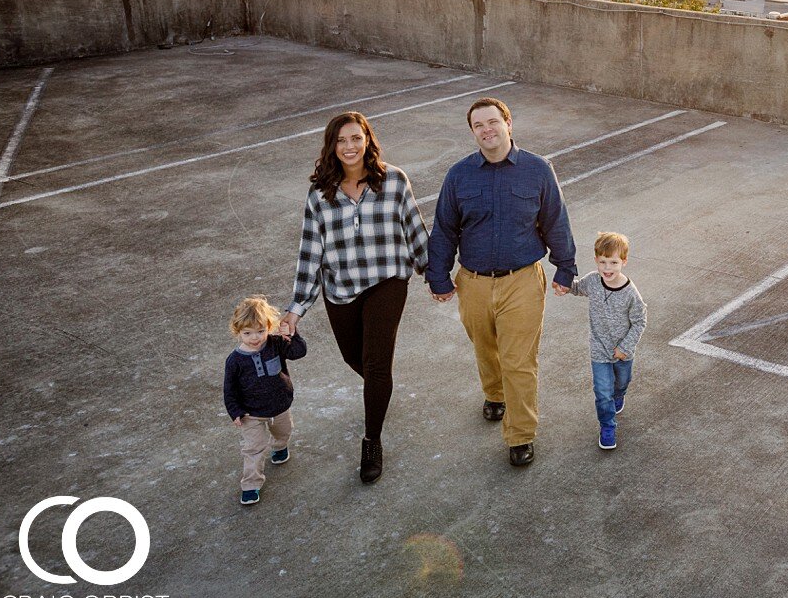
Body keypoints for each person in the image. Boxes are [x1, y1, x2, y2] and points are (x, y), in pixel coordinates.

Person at [427, 97, 576, 469]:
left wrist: (565, 267)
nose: (487, 130)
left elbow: (556, 219)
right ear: (473, 131)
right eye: (479, 125)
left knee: (519, 360)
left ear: (509, 123)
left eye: (493, 122)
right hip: (472, 282)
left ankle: (521, 434)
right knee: (485, 346)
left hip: (522, 280)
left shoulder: (538, 169)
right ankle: (495, 394)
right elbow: (444, 229)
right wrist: (438, 276)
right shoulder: (458, 175)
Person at [282, 111, 428, 485]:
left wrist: (436, 275)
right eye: (341, 140)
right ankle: (379, 390)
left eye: (356, 139)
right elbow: (309, 252)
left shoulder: (393, 181)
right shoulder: (319, 194)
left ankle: (372, 441)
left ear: (368, 140)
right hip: (341, 288)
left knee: (376, 364)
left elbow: (414, 228)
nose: (350, 147)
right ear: (332, 146)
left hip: (387, 281)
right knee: (357, 359)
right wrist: (296, 308)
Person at [223, 296, 307, 506]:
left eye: (261, 331)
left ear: (270, 327)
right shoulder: (235, 361)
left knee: (283, 431)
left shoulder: (276, 344)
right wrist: (235, 411)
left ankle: (279, 447)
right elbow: (229, 390)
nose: (255, 338)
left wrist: (292, 335)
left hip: (279, 406)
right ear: (237, 331)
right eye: (247, 333)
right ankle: (251, 485)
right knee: (253, 448)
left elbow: (299, 352)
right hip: (251, 414)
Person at [568, 232, 647, 451]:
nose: (607, 268)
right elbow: (576, 288)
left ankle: (620, 395)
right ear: (596, 261)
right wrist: (563, 283)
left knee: (621, 383)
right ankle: (607, 425)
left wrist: (625, 347)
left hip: (623, 353)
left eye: (613, 262)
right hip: (599, 352)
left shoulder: (630, 293)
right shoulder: (593, 280)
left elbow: (640, 321)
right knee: (603, 393)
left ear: (624, 261)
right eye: (602, 262)